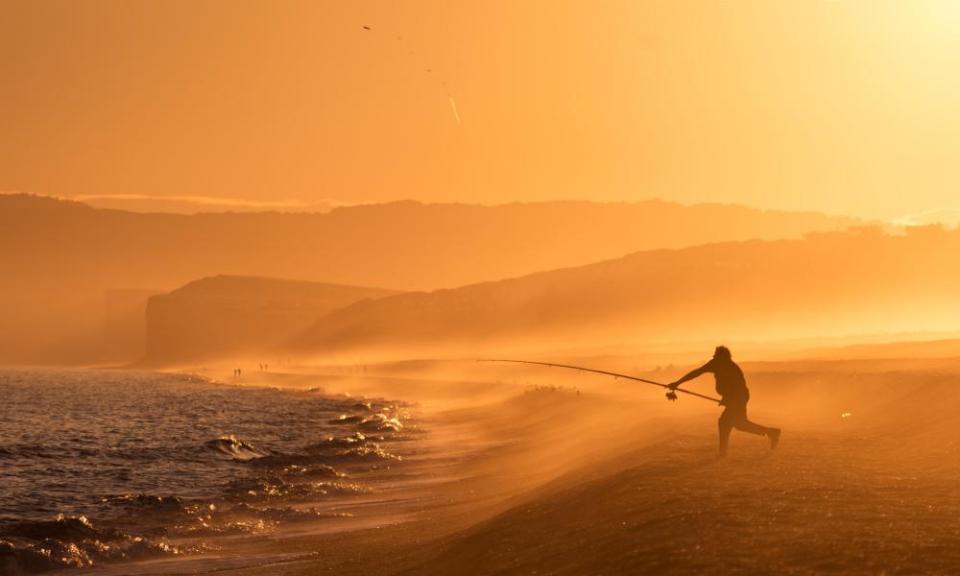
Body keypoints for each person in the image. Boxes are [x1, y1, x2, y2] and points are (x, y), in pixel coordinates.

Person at [668, 346, 780, 457]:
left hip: (739, 397)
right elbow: (697, 372)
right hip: (737, 397)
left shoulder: (730, 368)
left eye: (717, 357)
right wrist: (678, 383)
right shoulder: (718, 363)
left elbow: (736, 387)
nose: (714, 359)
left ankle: (723, 453)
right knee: (739, 424)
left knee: (726, 423)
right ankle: (771, 432)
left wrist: (728, 399)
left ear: (722, 358)